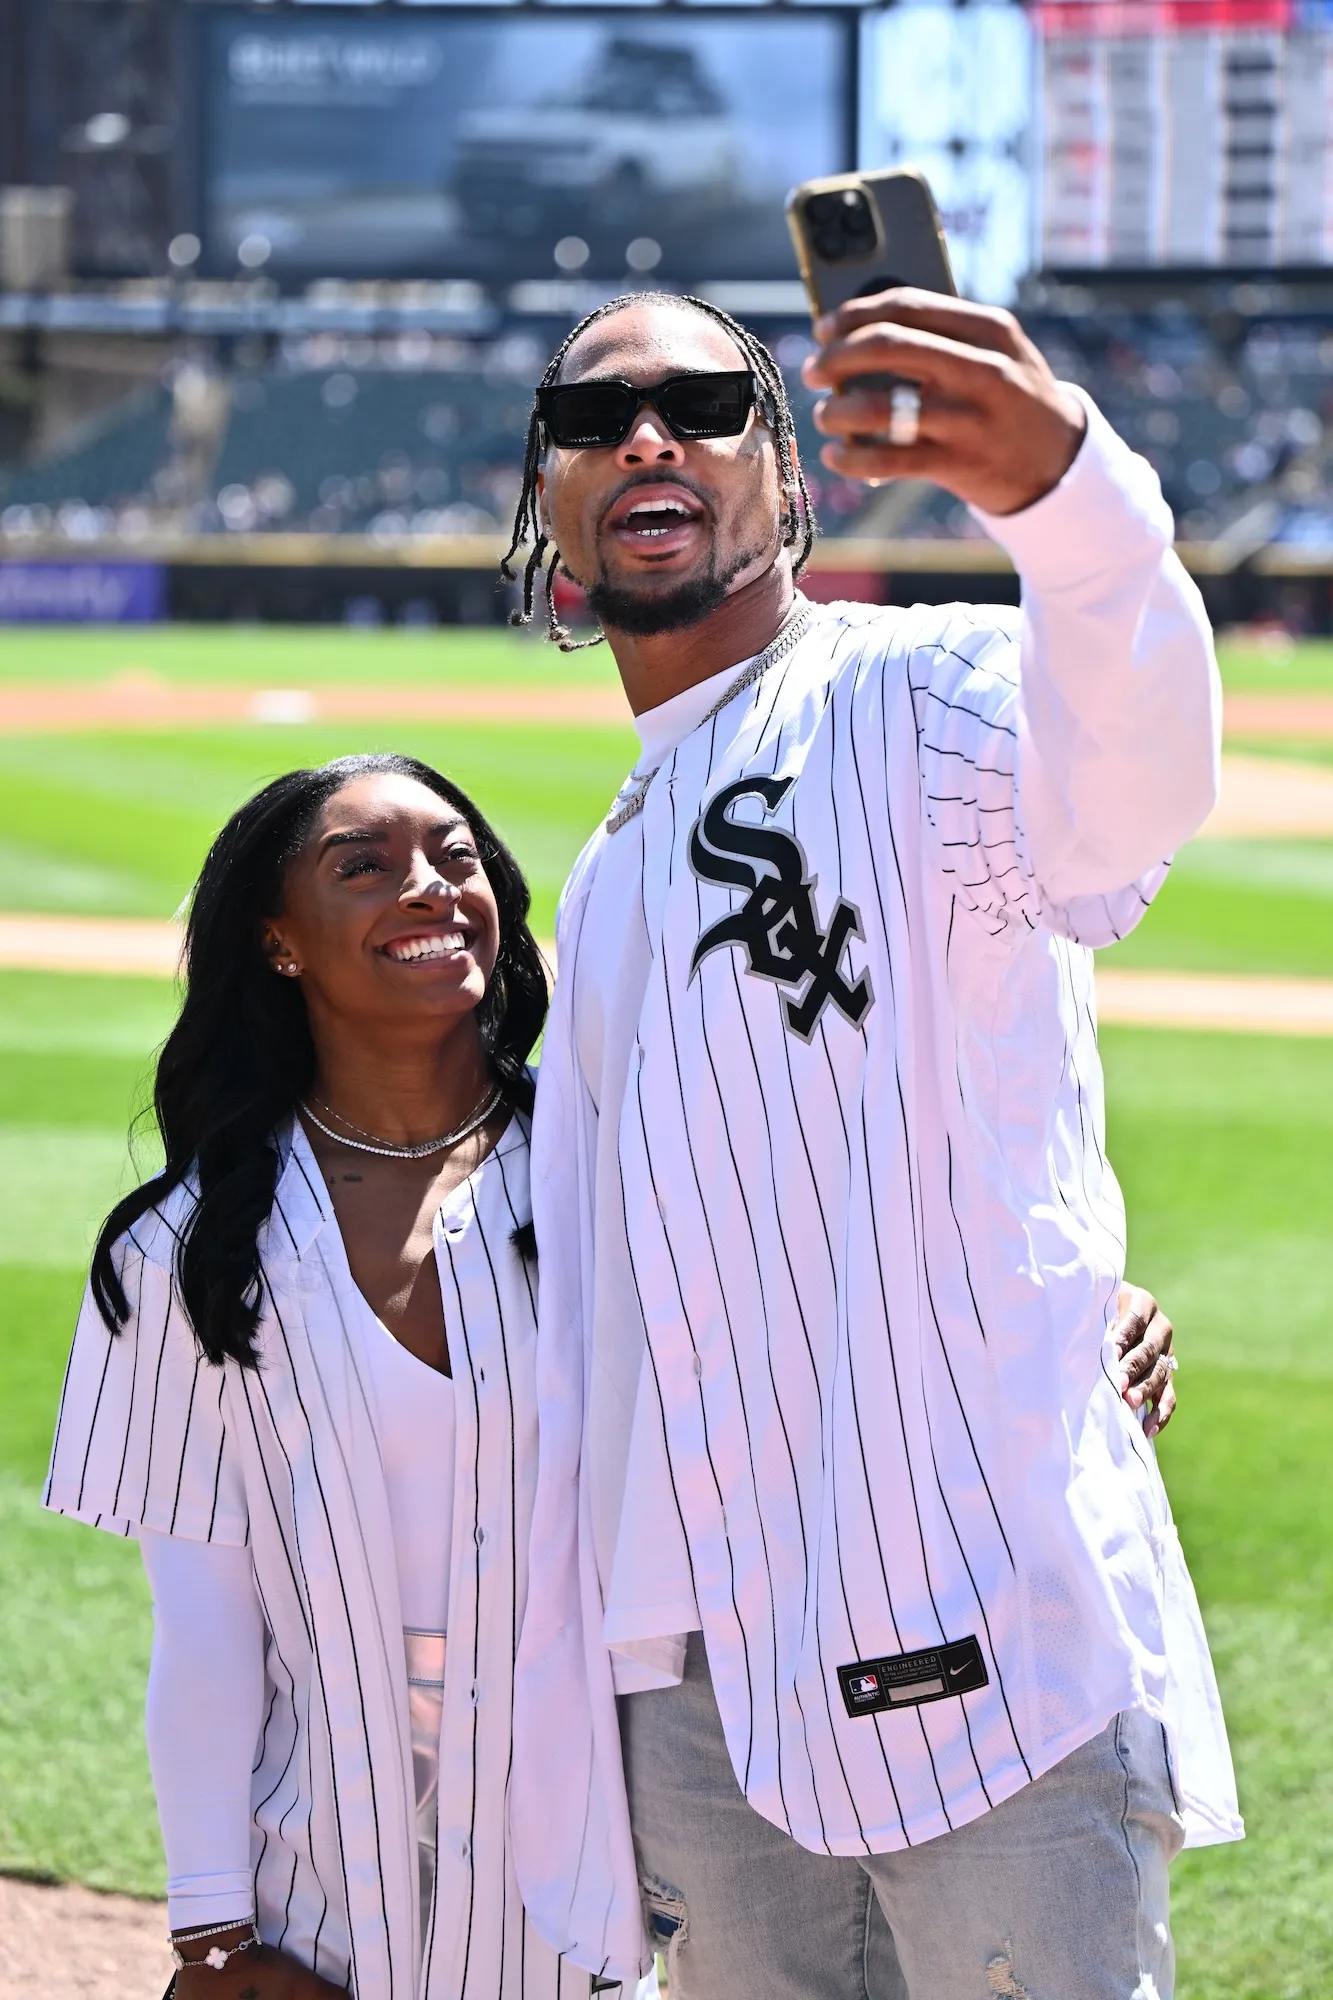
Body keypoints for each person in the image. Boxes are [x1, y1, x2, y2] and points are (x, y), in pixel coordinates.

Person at [504, 289, 1241, 2000]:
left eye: (701, 399)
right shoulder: (610, 870)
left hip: (984, 1652)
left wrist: (1062, 489)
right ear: (545, 514)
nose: (643, 433)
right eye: (589, 414)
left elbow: (1124, 790)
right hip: (702, 1692)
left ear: (783, 480)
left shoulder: (919, 695)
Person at [44, 754, 604, 2000]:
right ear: (280, 942)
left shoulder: (614, 1180)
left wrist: (1081, 1308)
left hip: (608, 1871)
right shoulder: (183, 1250)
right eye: (366, 866)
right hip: (325, 1895)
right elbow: (203, 1621)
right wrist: (212, 1929)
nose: (429, 888)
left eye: (455, 858)